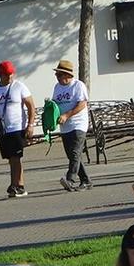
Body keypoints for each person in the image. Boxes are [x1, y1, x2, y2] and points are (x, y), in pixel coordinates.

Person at [0, 60, 37, 199]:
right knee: (10, 158)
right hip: (2, 129)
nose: (9, 77)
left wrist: (30, 125)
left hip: (17, 127)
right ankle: (17, 184)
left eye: (11, 74)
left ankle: (17, 185)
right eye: (6, 75)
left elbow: (31, 106)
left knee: (16, 157)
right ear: (0, 75)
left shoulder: (19, 86)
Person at [51, 59, 91, 191]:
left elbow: (82, 104)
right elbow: (55, 104)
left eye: (59, 74)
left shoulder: (78, 86)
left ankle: (70, 180)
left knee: (75, 153)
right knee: (73, 155)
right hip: (65, 126)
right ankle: (86, 180)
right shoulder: (57, 88)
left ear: (67, 75)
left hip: (78, 124)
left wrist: (67, 115)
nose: (57, 77)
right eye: (56, 74)